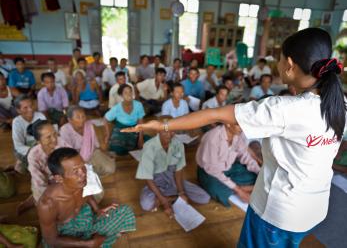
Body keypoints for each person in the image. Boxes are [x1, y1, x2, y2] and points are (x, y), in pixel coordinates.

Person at [123, 28, 347, 247]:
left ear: (289, 64)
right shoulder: (340, 104)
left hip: (280, 212)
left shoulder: (284, 109)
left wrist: (162, 125)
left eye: (278, 59)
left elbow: (214, 114)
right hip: (312, 209)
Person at [38, 147, 136, 247]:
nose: (83, 174)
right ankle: (101, 241)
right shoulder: (47, 204)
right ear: (59, 178)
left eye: (83, 166)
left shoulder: (81, 180)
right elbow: (51, 240)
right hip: (64, 233)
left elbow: (88, 193)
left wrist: (97, 209)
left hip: (85, 220)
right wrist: (87, 244)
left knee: (125, 211)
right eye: (75, 171)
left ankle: (98, 241)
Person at [136, 116, 210, 216]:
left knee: (204, 197)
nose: (169, 134)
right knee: (146, 204)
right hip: (156, 182)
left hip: (174, 181)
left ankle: (170, 197)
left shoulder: (178, 144)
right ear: (157, 131)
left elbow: (178, 171)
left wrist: (181, 193)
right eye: (165, 131)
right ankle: (166, 198)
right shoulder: (149, 147)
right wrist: (164, 201)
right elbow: (148, 178)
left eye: (172, 131)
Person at [196, 124, 260, 207]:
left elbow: (244, 155)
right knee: (216, 189)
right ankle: (243, 188)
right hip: (209, 173)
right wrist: (240, 191)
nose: (242, 128)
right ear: (228, 124)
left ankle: (240, 187)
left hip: (228, 167)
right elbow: (214, 171)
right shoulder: (212, 138)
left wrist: (259, 172)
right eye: (238, 125)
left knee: (254, 175)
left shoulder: (238, 134)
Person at [60, 106, 115, 177]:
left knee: (110, 169)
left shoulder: (89, 126)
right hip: (74, 158)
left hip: (91, 152)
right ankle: (90, 176)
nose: (82, 119)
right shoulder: (64, 130)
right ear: (70, 120)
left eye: (83, 116)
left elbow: (95, 144)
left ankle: (92, 176)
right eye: (78, 117)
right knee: (80, 174)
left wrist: (105, 153)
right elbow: (68, 152)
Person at [104, 84, 148, 156]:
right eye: (126, 92)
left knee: (149, 141)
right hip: (120, 130)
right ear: (121, 95)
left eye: (130, 92)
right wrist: (108, 134)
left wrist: (140, 139)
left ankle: (135, 143)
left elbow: (141, 123)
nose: (129, 94)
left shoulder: (138, 105)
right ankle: (132, 145)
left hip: (134, 129)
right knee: (117, 149)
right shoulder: (117, 108)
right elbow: (105, 119)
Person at [12, 94, 46, 174]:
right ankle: (20, 161)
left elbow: (45, 135)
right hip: (25, 149)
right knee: (22, 170)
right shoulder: (17, 122)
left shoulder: (40, 116)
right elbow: (18, 145)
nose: (30, 109)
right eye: (25, 108)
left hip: (40, 145)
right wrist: (34, 151)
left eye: (31, 106)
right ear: (18, 110)